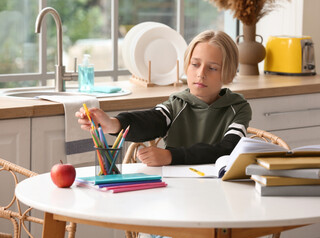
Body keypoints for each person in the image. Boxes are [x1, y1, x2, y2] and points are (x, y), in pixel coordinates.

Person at [76, 29, 251, 167]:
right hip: (176, 191)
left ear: (227, 72)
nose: (200, 74)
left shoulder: (238, 107)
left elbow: (227, 150)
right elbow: (151, 121)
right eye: (195, 64)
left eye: (212, 68)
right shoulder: (177, 104)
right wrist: (113, 124)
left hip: (219, 190)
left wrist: (170, 156)